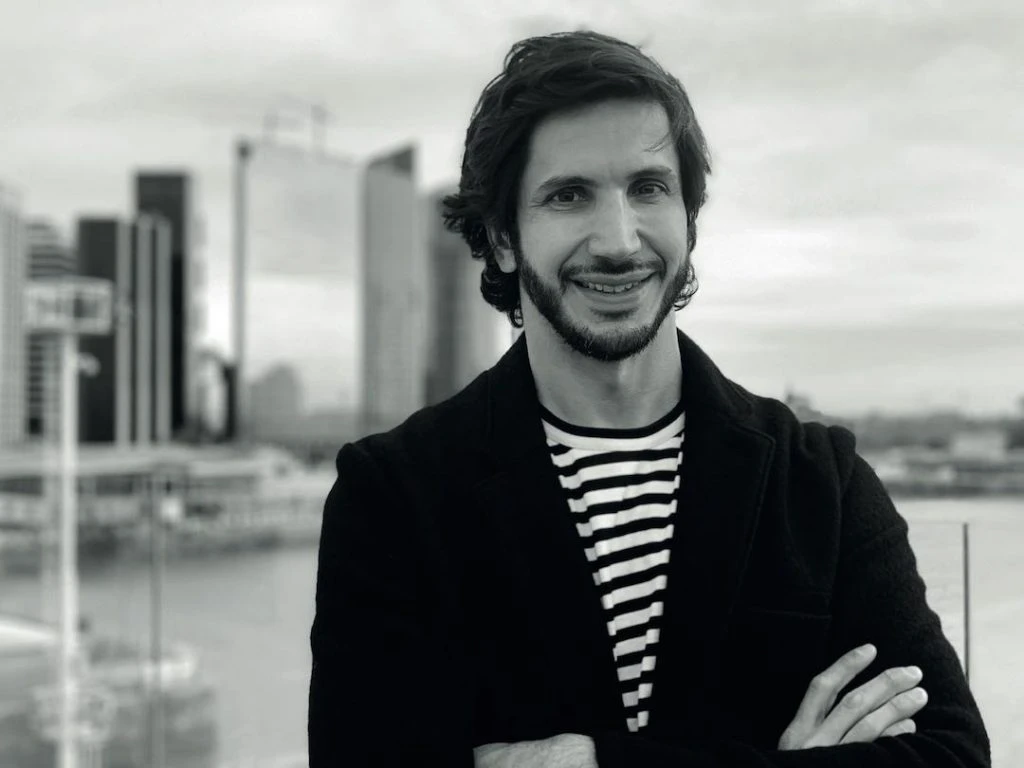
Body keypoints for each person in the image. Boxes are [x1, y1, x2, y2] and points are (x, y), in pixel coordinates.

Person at [308, 30, 990, 767]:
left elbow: (954, 755)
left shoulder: (821, 480)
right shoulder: (393, 496)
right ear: (503, 237)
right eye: (569, 195)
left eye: (648, 188)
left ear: (689, 217)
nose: (619, 241)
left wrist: (593, 762)